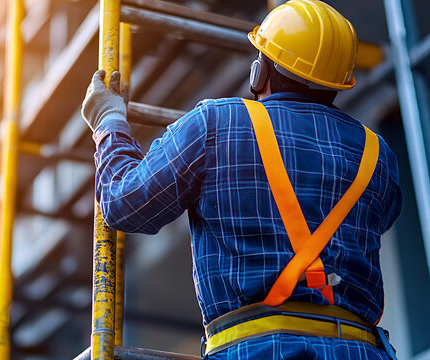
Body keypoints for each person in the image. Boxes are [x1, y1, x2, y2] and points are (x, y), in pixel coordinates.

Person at [81, 0, 402, 358]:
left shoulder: (218, 123)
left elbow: (125, 204)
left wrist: (109, 123)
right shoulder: (379, 156)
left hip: (257, 349)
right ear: (338, 83)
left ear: (259, 72)